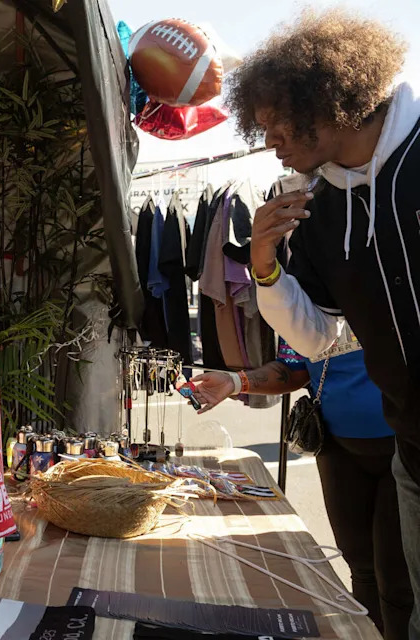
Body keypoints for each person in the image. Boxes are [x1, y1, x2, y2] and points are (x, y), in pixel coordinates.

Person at [226, 9, 420, 637]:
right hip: (412, 450)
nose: (270, 142)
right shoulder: (318, 209)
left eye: (276, 122)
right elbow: (317, 338)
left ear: (328, 96)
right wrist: (264, 266)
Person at [191, 328, 413, 639]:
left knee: (397, 578)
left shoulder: (391, 285)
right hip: (337, 448)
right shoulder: (302, 298)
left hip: (404, 447)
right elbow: (292, 370)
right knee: (361, 566)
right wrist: (236, 382)